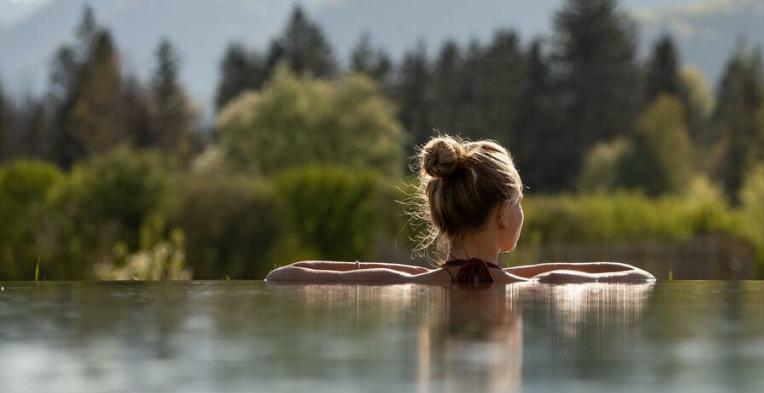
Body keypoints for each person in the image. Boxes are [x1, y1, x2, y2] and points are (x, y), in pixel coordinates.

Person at [265, 135, 655, 286]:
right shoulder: (543, 285)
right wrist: (529, 274)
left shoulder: (408, 283)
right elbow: (638, 277)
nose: (522, 214)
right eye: (519, 203)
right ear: (504, 213)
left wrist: (399, 273)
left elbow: (281, 275)